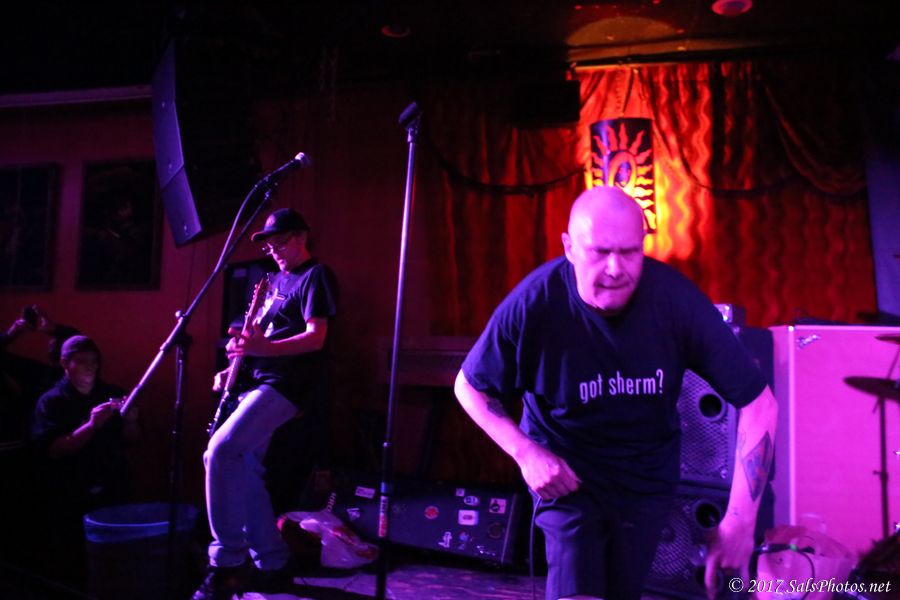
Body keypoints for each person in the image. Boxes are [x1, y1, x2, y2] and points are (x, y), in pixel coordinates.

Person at [454, 186, 778, 600]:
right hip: (567, 475)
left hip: (645, 477)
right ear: (569, 248)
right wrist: (526, 453)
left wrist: (740, 521)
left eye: (629, 252)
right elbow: (469, 387)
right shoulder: (534, 304)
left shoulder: (675, 302)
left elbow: (759, 403)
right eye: (601, 252)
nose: (615, 268)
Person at [192, 207, 339, 600]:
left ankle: (226, 563)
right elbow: (257, 339)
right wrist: (231, 369)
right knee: (245, 468)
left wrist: (265, 349)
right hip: (259, 380)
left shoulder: (316, 276)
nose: (273, 250)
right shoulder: (272, 282)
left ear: (301, 236)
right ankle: (273, 561)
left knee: (221, 451)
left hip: (289, 384)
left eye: (280, 242)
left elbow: (316, 337)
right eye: (269, 245)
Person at [31, 335, 140, 586]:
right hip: (71, 493)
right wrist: (91, 426)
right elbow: (53, 450)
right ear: (64, 363)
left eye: (94, 361)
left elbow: (134, 440)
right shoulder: (51, 402)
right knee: (74, 562)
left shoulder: (111, 393)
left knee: (115, 559)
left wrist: (131, 421)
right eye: (82, 362)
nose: (90, 367)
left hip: (112, 489)